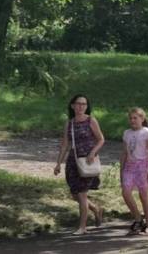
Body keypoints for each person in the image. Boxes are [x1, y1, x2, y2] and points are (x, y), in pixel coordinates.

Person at [53, 94, 105, 235]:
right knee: (75, 194)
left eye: (84, 104)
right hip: (73, 161)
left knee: (82, 194)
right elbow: (65, 144)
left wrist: (93, 153)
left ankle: (82, 227)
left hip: (87, 160)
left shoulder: (91, 120)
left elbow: (101, 139)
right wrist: (58, 163)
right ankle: (95, 209)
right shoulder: (69, 123)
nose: (81, 106)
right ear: (73, 106)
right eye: (78, 103)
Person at [121, 108, 148, 235]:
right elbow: (124, 153)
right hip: (130, 166)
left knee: (143, 195)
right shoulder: (126, 133)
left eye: (135, 118)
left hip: (143, 166)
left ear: (142, 119)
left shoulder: (147, 132)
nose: (133, 120)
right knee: (126, 193)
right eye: (131, 118)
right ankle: (138, 219)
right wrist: (121, 171)